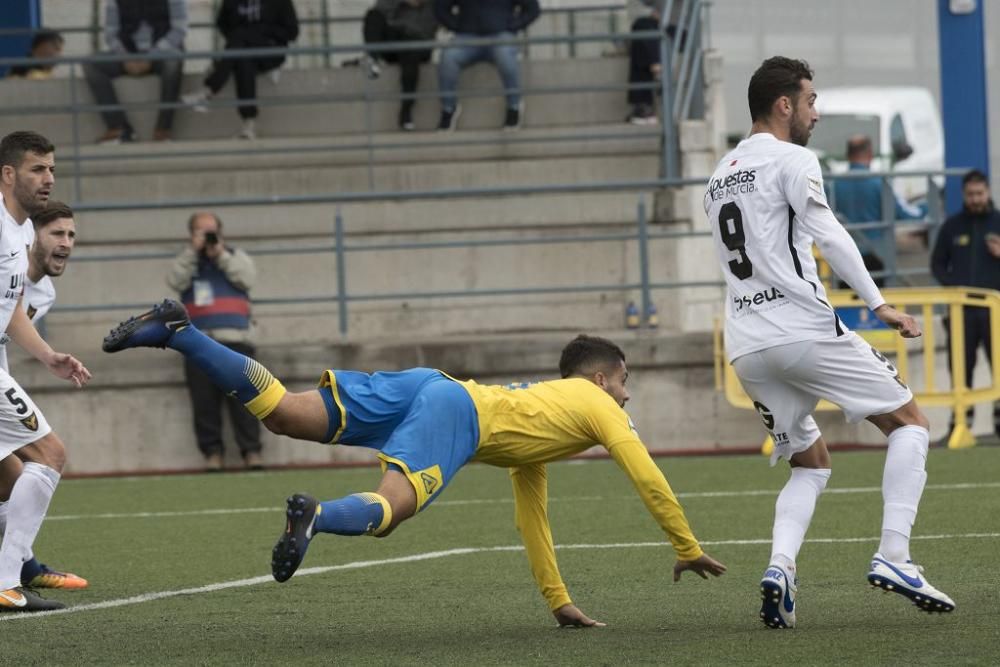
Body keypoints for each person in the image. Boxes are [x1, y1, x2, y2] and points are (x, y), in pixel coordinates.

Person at [103, 311, 726, 625]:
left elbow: (531, 512)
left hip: (431, 387)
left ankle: (181, 333)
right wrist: (687, 545)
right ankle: (317, 517)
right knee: (392, 510)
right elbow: (646, 473)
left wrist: (558, 601)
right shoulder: (593, 403)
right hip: (454, 409)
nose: (627, 396)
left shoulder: (544, 415)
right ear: (598, 378)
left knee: (284, 415)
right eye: (624, 382)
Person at [705, 56, 954, 629]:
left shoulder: (720, 172)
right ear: (784, 104)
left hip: (746, 344)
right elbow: (829, 233)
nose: (817, 113)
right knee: (911, 424)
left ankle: (780, 569)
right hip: (801, 328)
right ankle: (895, 556)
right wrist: (878, 302)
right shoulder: (792, 159)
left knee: (809, 465)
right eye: (811, 101)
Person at [0, 131, 91, 612]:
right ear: (9, 173)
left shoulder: (17, 233)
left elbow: (9, 309)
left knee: (9, 479)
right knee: (50, 455)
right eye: (38, 168)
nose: (48, 178)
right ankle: (8, 579)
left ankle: (21, 571)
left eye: (52, 168)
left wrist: (48, 355)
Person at [165, 212, 262, 472]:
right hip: (199, 343)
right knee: (204, 403)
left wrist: (220, 254)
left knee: (246, 401)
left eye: (212, 231)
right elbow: (174, 280)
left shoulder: (236, 256)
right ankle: (213, 454)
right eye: (201, 232)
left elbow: (248, 279)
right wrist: (192, 253)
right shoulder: (187, 262)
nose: (208, 237)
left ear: (221, 232)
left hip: (236, 340)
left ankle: (251, 452)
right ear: (191, 234)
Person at [930, 169, 1000, 436]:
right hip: (961, 312)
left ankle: (998, 423)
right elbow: (937, 264)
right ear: (963, 195)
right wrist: (953, 287)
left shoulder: (997, 222)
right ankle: (960, 423)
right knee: (960, 368)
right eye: (970, 194)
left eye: (979, 193)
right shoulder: (952, 226)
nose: (975, 199)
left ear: (988, 192)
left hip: (994, 310)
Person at [180, 0, 299, 141]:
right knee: (243, 59)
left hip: (270, 50)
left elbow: (292, 32)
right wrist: (243, 38)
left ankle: (208, 90)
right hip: (242, 50)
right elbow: (222, 23)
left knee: (240, 36)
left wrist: (260, 31)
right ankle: (249, 124)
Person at [83, 0, 188, 144]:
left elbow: (179, 31)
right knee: (91, 63)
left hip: (162, 54)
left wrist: (151, 56)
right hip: (127, 55)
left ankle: (163, 130)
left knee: (174, 62)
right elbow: (110, 34)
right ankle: (119, 128)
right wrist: (126, 57)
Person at [831, 135, 927, 286]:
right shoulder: (879, 182)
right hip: (877, 256)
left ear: (848, 155)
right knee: (879, 304)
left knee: (847, 304)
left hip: (845, 256)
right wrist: (926, 207)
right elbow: (905, 214)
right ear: (870, 154)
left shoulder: (834, 185)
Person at [434, 0, 541, 132]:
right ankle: (448, 108)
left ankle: (514, 106)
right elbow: (440, 8)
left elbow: (533, 9)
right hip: (467, 37)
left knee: (505, 55)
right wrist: (457, 26)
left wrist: (512, 25)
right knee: (448, 57)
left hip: (501, 35)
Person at [361, 1, 439, 131]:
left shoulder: (433, 6)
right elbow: (380, 9)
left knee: (410, 53)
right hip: (397, 38)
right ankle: (372, 58)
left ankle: (406, 112)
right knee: (373, 16)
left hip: (419, 42)